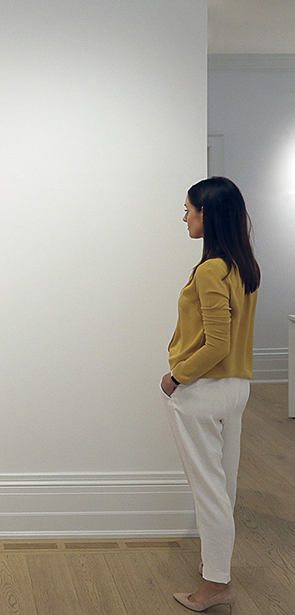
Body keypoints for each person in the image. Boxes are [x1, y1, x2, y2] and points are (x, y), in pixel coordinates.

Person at [161, 176, 260, 614]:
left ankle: (215, 585)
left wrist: (177, 376)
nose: (184, 216)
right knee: (225, 487)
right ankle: (217, 573)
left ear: (208, 214)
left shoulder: (209, 269)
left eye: (188, 209)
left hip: (203, 391)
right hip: (236, 389)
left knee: (209, 492)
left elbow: (216, 343)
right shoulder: (243, 266)